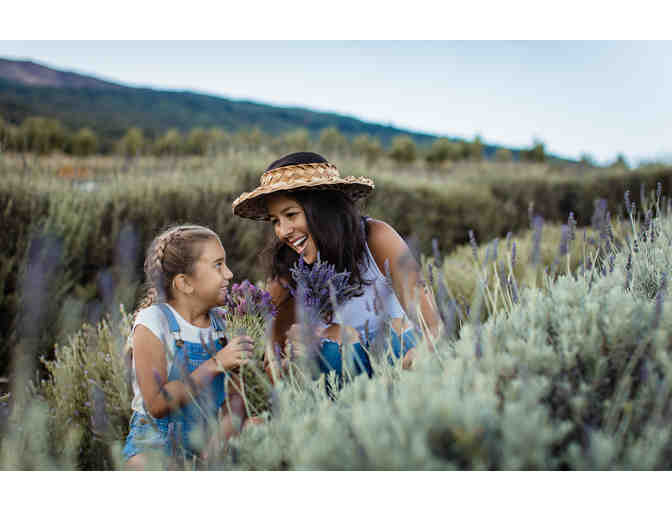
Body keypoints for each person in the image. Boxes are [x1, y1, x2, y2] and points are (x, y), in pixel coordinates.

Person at [232, 152, 439, 383]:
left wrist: (419, 357)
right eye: (275, 221)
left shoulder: (377, 238)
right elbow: (273, 364)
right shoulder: (287, 269)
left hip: (403, 381)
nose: (283, 231)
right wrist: (292, 360)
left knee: (392, 331)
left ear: (323, 209)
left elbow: (433, 327)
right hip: (336, 400)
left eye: (291, 214)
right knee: (332, 337)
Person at [123, 224, 254, 468]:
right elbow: (157, 404)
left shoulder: (224, 322)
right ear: (184, 283)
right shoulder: (154, 321)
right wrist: (215, 364)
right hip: (155, 441)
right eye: (218, 265)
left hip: (208, 439)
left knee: (257, 434)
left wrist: (216, 448)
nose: (229, 274)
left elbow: (235, 401)